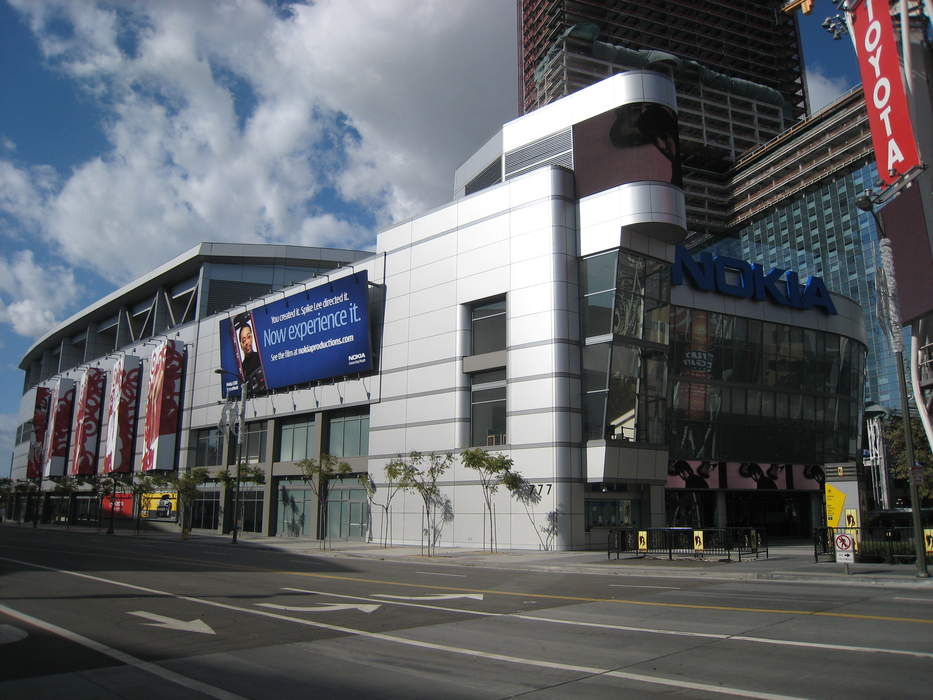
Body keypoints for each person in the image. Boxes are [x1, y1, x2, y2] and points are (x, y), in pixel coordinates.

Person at [237, 321, 267, 394]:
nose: (247, 342)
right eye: (243, 340)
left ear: (252, 338)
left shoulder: (262, 357)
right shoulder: (241, 368)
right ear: (240, 344)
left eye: (249, 337)